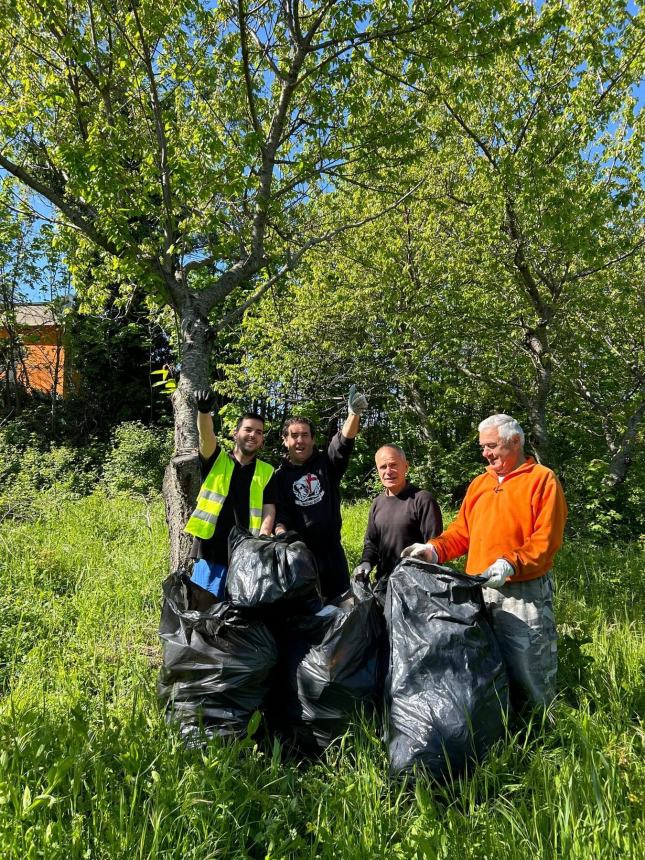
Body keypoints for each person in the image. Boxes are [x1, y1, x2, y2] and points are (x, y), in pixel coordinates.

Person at [402, 414, 567, 708]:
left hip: (523, 592)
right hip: (478, 590)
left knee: (530, 667)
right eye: (483, 447)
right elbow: (461, 533)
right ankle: (503, 729)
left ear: (515, 442)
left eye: (491, 446)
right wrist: (431, 550)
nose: (485, 453)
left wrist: (510, 563)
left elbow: (546, 540)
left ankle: (544, 731)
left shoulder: (542, 480)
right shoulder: (480, 483)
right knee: (488, 665)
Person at [274, 385, 368, 602]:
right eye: (294, 436)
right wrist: (280, 534)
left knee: (342, 610)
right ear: (285, 440)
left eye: (305, 435)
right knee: (307, 615)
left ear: (313, 439)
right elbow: (281, 515)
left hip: (332, 555)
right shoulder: (279, 477)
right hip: (299, 559)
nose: (300, 441)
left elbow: (343, 442)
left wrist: (353, 415)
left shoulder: (326, 464)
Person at [184, 389, 277, 597]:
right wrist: (204, 411)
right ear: (235, 434)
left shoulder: (267, 471)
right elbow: (207, 437)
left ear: (262, 440)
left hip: (246, 554)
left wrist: (263, 538)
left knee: (237, 615)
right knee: (205, 611)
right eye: (248, 429)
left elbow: (269, 508)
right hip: (211, 551)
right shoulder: (217, 460)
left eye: (259, 432)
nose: (253, 435)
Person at [353, 444, 442, 584]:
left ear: (406, 466)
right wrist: (366, 562)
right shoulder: (377, 503)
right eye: (383, 467)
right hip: (384, 583)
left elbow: (435, 547)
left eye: (393, 465)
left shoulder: (423, 500)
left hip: (416, 586)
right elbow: (371, 543)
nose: (388, 471)